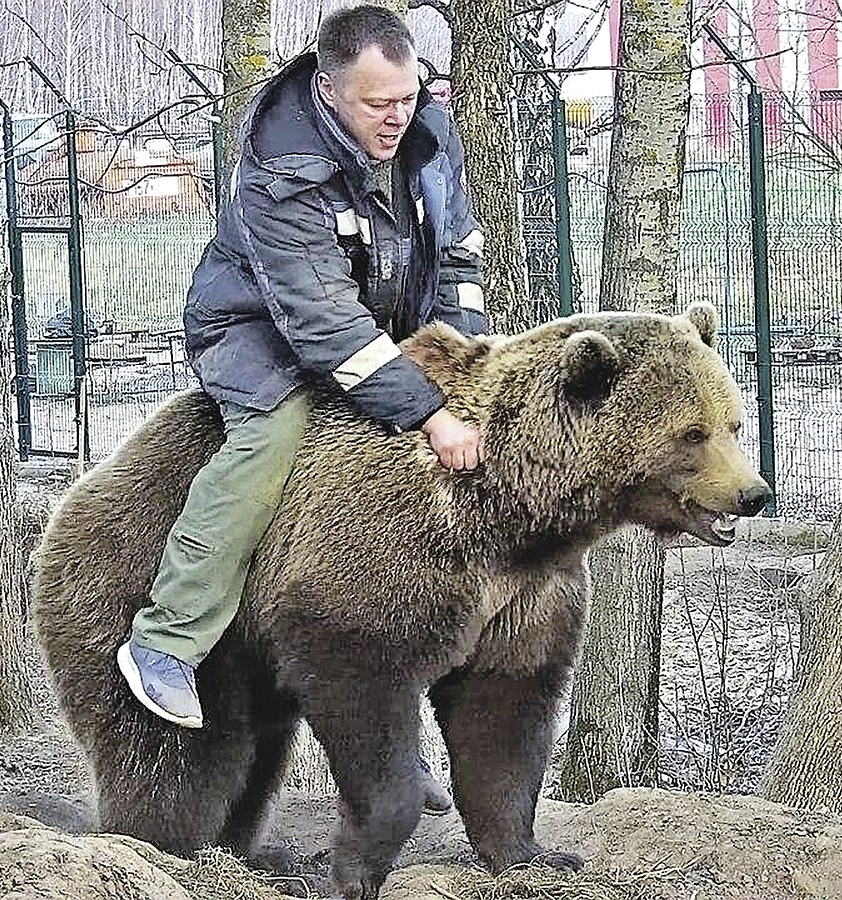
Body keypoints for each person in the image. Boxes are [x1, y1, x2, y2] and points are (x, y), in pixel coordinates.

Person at [117, 4, 486, 812]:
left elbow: (457, 254)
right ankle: (167, 642)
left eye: (406, 97)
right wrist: (426, 411)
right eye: (375, 103)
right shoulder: (280, 165)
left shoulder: (430, 129)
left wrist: (459, 363)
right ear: (328, 90)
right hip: (259, 333)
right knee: (274, 440)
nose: (396, 118)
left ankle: (394, 739)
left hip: (379, 327)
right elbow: (321, 324)